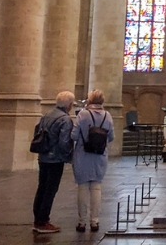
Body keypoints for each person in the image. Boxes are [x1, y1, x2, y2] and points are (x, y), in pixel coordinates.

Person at [72, 89, 115, 233]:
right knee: (96, 187)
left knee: (83, 187)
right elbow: (111, 137)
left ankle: (81, 222)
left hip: (82, 155)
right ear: (102, 101)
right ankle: (95, 221)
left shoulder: (83, 114)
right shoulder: (107, 116)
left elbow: (74, 135)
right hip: (99, 156)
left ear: (89, 100)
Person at [32, 90, 75, 234]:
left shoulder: (46, 115)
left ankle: (38, 219)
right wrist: (69, 156)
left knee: (42, 188)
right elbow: (64, 142)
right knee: (50, 190)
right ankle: (43, 221)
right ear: (69, 105)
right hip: (55, 159)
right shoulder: (65, 119)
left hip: (43, 157)